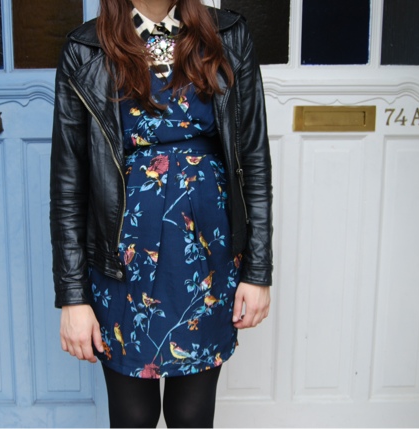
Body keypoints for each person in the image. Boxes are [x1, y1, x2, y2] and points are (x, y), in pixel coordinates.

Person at [50, 0, 272, 426]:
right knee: (133, 417)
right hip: (122, 260)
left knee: (191, 416)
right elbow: (68, 183)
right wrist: (73, 296)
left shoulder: (228, 35)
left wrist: (258, 271)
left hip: (207, 255)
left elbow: (254, 160)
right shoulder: (85, 48)